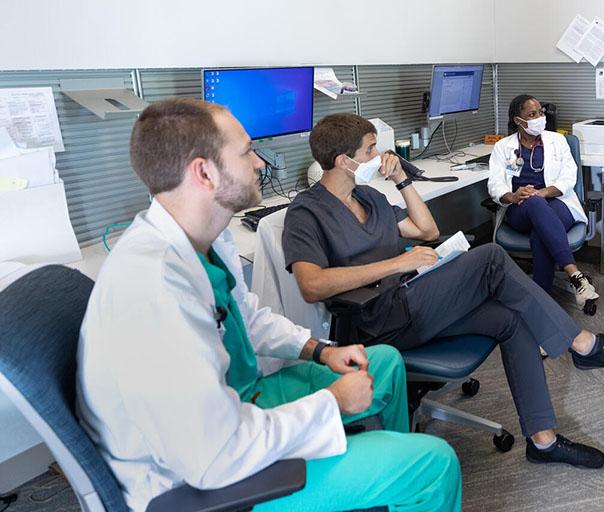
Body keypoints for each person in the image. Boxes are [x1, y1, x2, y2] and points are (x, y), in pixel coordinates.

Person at [77, 98, 461, 512]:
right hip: (205, 481)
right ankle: (398, 476)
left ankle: (383, 486)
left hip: (243, 401)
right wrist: (332, 402)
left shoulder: (206, 237)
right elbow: (216, 454)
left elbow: (247, 318)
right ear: (204, 172)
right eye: (245, 152)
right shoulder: (153, 286)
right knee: (433, 464)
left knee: (381, 362)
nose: (260, 163)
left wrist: (321, 350)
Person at [283, 113, 604, 468]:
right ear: (344, 161)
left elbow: (426, 231)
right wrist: (395, 264)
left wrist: (402, 181)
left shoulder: (368, 197)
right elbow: (311, 284)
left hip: (413, 299)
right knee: (491, 257)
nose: (380, 157)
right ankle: (583, 345)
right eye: (371, 150)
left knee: (511, 318)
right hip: (380, 319)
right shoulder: (307, 212)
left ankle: (544, 442)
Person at [488, 95, 599, 311]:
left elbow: (569, 178)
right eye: (532, 114)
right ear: (518, 120)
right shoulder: (503, 147)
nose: (539, 117)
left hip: (557, 202)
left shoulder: (558, 141)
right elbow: (495, 184)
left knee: (541, 228)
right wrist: (513, 196)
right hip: (520, 209)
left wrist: (543, 192)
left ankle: (540, 305)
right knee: (534, 205)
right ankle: (576, 277)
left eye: (540, 112)